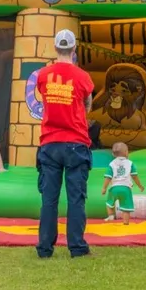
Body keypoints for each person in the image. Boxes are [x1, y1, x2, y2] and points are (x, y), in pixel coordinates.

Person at [34, 29, 95, 258]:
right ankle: (77, 247)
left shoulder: (43, 75)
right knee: (76, 198)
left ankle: (44, 248)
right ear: (74, 48)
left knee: (49, 199)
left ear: (55, 48)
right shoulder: (83, 77)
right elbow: (87, 103)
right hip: (76, 142)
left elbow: (44, 98)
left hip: (49, 142)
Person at [102, 142, 144, 225]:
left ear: (113, 154)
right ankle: (126, 223)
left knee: (109, 203)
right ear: (126, 152)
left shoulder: (112, 164)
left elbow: (108, 177)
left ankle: (111, 215)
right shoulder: (130, 163)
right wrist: (140, 186)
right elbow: (135, 176)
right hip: (126, 189)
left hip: (114, 188)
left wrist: (104, 188)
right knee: (126, 209)